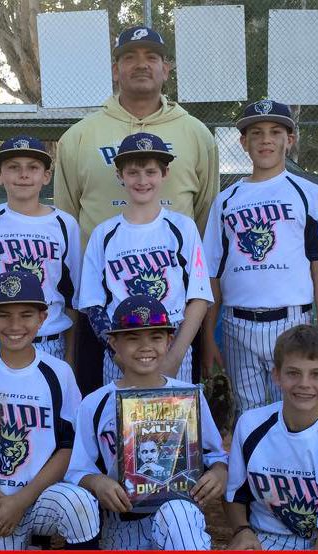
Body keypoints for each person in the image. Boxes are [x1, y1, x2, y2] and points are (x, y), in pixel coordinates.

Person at [54, 24, 219, 394]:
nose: (141, 65)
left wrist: (192, 341)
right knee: (108, 424)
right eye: (129, 57)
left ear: (167, 68)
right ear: (115, 69)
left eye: (151, 57)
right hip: (104, 315)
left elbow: (206, 220)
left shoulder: (197, 134)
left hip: (174, 321)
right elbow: (65, 223)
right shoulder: (79, 136)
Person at [202, 99, 318, 416]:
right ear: (243, 142)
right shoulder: (226, 200)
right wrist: (208, 337)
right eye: (256, 132)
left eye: (276, 131)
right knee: (246, 414)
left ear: (290, 140)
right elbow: (213, 273)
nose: (266, 139)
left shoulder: (309, 193)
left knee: (295, 409)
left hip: (292, 321)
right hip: (238, 323)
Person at [0, 271, 100, 550]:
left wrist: (23, 500)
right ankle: (35, 544)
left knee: (81, 506)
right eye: (3, 314)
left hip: (40, 494)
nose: (15, 324)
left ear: (42, 318)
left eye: (26, 314)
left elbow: (68, 444)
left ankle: (40, 538)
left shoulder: (58, 373)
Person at [65, 294, 228, 550]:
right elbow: (77, 470)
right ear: (113, 343)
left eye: (156, 337)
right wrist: (97, 482)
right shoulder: (94, 403)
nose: (145, 346)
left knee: (178, 513)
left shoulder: (188, 397)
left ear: (169, 341)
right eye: (132, 338)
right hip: (121, 523)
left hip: (180, 517)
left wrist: (219, 471)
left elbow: (214, 455)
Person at [225, 325, 318, 550]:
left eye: (316, 374)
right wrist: (242, 530)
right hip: (266, 536)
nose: (304, 383)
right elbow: (235, 495)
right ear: (276, 375)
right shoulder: (250, 425)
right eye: (293, 373)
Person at [80, 132, 211, 384]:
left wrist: (175, 357)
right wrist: (119, 355)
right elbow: (93, 305)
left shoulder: (182, 227)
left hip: (172, 345)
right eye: (133, 172)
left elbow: (199, 297)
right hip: (121, 347)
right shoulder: (104, 234)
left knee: (176, 423)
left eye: (151, 172)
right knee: (119, 423)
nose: (142, 180)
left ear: (165, 174)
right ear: (119, 175)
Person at [0, 136, 80, 365]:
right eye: (13, 167)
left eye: (33, 168)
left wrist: (71, 355)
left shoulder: (65, 223)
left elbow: (72, 297)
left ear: (46, 176)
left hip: (49, 341)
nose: (23, 175)